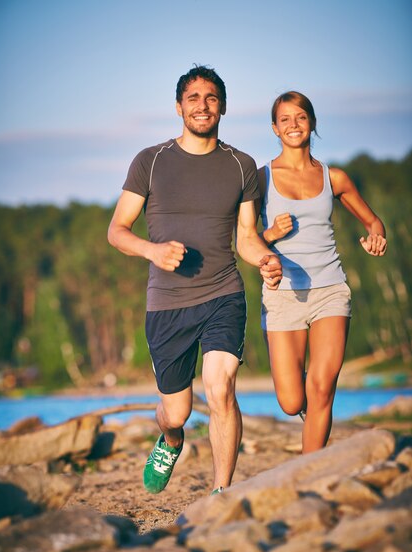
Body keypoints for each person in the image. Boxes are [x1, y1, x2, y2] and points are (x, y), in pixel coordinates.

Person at [108, 65, 282, 494]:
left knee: (220, 387)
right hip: (167, 304)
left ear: (222, 106)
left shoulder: (241, 166)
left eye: (211, 98)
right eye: (193, 98)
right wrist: (152, 250)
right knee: (177, 413)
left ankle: (222, 494)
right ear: (178, 107)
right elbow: (117, 230)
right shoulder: (150, 162)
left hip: (223, 292)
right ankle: (169, 439)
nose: (202, 106)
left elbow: (245, 237)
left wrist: (265, 259)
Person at [257, 91, 387, 454]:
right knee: (290, 400)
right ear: (274, 128)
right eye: (285, 119)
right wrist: (270, 235)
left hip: (330, 289)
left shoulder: (335, 178)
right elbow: (245, 239)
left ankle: (308, 473)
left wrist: (377, 237)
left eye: (300, 117)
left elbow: (373, 221)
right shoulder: (261, 178)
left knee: (322, 389)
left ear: (312, 123)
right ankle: (304, 410)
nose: (293, 125)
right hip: (283, 293)